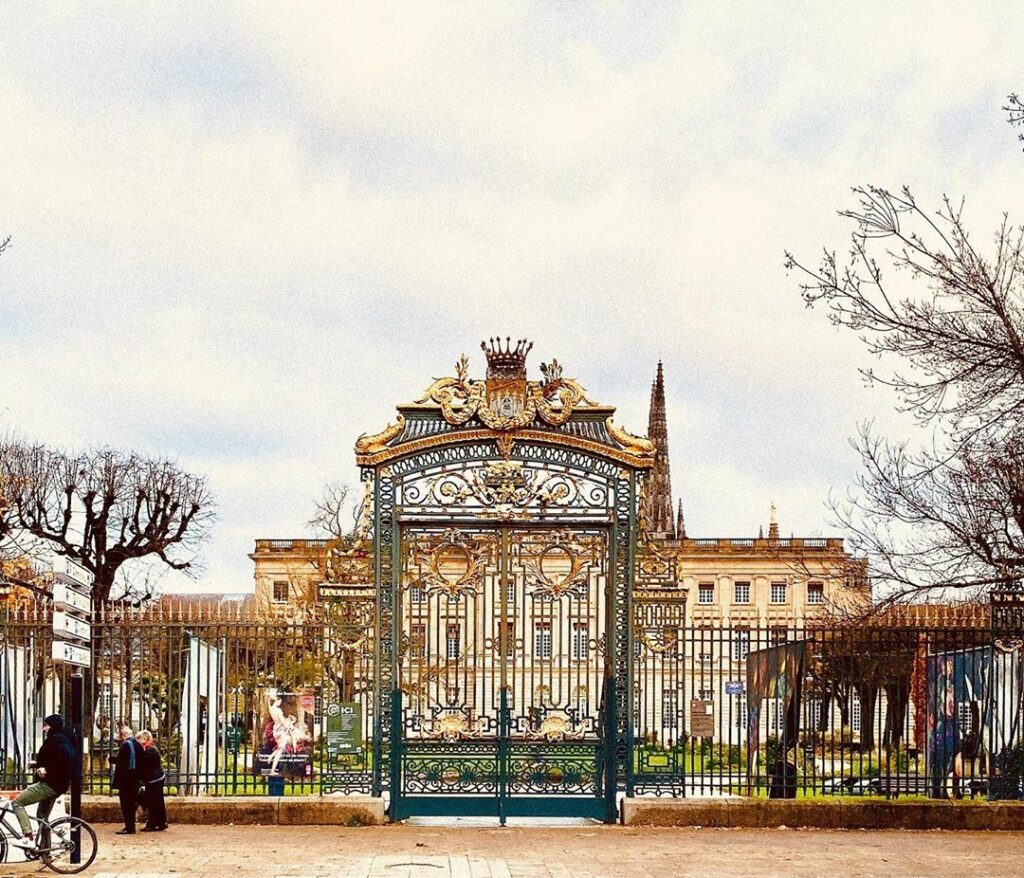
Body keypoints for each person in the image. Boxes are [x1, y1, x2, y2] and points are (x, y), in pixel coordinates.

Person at [9, 714, 75, 851]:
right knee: (42, 817)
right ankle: (46, 853)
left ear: (52, 726)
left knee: (17, 803)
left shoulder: (57, 740)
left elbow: (63, 760)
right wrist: (37, 764)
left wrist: (47, 769)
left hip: (49, 784)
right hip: (57, 785)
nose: (44, 729)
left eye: (46, 726)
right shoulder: (59, 739)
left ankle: (28, 837)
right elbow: (52, 759)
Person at [110, 724, 141, 835]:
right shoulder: (137, 744)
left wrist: (112, 760)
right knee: (131, 804)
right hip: (135, 779)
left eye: (120, 735)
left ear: (124, 735)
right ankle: (130, 826)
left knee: (126, 804)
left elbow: (122, 763)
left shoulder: (125, 745)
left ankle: (129, 827)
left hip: (126, 781)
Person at [135, 730, 167, 832]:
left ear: (145, 739)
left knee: (152, 802)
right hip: (156, 778)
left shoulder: (149, 751)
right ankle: (161, 823)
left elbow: (144, 766)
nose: (138, 741)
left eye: (139, 739)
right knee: (158, 802)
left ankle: (152, 824)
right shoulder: (151, 749)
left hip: (154, 779)